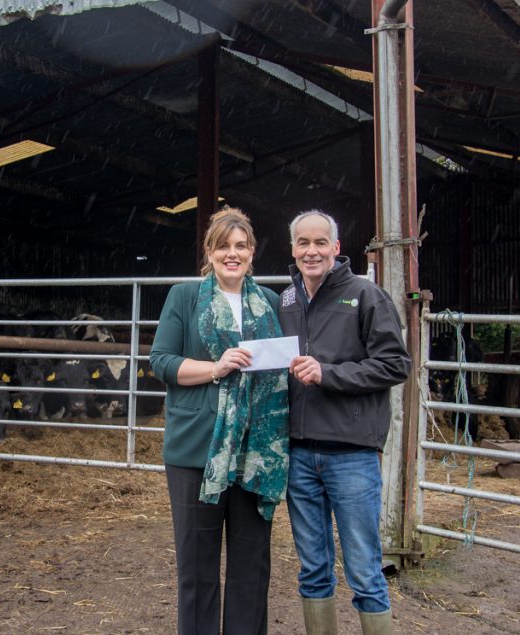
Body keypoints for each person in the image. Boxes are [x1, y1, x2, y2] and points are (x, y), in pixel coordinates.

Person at [149, 207, 289, 635]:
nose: (233, 254)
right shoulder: (185, 297)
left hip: (255, 453)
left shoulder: (268, 301)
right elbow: (162, 362)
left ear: (252, 252)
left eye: (241, 246)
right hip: (197, 451)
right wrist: (216, 367)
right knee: (197, 565)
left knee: (252, 567)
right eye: (224, 245)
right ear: (209, 251)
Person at [278, 210, 411, 635]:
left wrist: (329, 373)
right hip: (299, 454)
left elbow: (395, 365)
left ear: (336, 248)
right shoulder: (287, 300)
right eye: (303, 243)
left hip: (351, 454)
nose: (311, 251)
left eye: (321, 243)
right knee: (313, 568)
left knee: (364, 571)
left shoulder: (366, 295)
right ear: (293, 249)